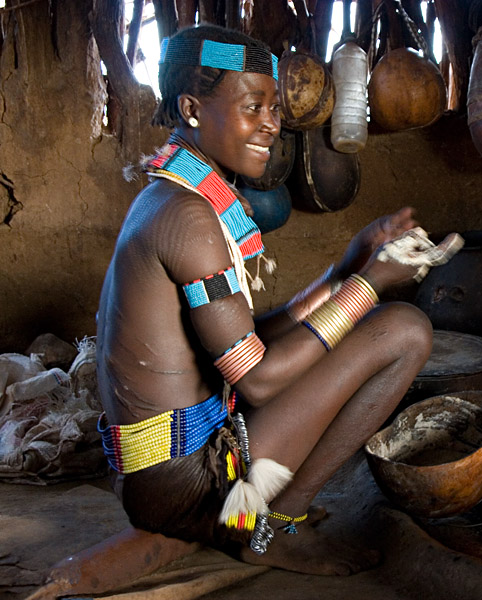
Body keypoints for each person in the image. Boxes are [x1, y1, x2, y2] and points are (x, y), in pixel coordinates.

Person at [95, 24, 461, 576]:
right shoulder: (186, 217)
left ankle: (260, 522)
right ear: (193, 108)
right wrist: (369, 286)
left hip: (181, 464)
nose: (273, 123)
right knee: (405, 329)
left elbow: (243, 341)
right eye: (253, 107)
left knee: (390, 324)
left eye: (273, 107)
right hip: (188, 488)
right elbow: (259, 379)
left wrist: (346, 269)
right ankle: (266, 530)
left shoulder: (179, 193)